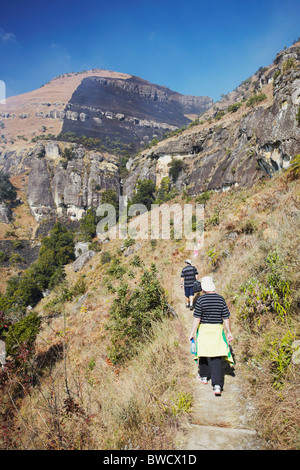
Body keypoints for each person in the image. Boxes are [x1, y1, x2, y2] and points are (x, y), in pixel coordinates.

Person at [189, 276, 234, 396]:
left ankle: (203, 377)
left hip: (204, 330)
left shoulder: (201, 300)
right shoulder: (221, 299)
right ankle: (217, 386)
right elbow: (226, 317)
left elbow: (197, 318)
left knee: (203, 353)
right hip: (217, 331)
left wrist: (192, 332)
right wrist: (229, 332)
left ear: (203, 289)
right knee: (216, 358)